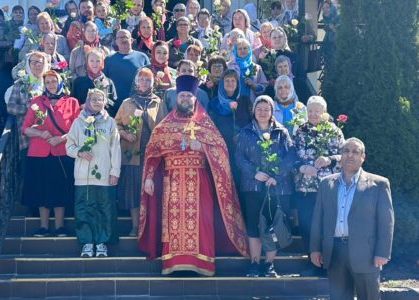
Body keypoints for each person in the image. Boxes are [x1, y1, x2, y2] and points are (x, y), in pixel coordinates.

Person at [138, 75, 248, 276]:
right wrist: (148, 178)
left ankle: (202, 263)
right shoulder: (164, 125)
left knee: (202, 220)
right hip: (172, 182)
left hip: (199, 181)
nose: (185, 99)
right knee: (173, 223)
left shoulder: (204, 123)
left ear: (195, 98)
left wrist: (204, 147)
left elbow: (221, 149)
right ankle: (173, 262)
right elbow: (152, 153)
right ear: (176, 98)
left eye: (189, 95)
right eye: (182, 95)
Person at [310, 138, 394, 300]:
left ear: (363, 157)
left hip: (366, 254)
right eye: (346, 151)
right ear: (340, 155)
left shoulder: (379, 184)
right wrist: (315, 248)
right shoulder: (326, 184)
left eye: (355, 152)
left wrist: (382, 252)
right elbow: (318, 218)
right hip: (334, 252)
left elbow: (386, 222)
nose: (350, 155)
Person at [235, 96, 297, 278]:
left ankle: (269, 264)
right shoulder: (246, 133)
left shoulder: (281, 132)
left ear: (272, 112)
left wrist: (276, 177)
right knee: (254, 226)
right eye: (259, 109)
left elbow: (290, 157)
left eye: (266, 109)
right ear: (254, 111)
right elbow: (239, 157)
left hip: (277, 187)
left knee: (273, 225)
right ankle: (254, 263)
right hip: (253, 187)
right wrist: (254, 173)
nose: (262, 112)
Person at [20, 70, 80, 237]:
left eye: (54, 81)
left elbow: (78, 129)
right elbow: (25, 128)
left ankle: (60, 226)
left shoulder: (72, 102)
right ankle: (44, 226)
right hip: (39, 153)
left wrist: (61, 139)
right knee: (42, 190)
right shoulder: (36, 102)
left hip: (62, 151)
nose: (51, 85)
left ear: (60, 82)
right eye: (48, 82)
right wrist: (40, 134)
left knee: (60, 189)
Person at [66, 88, 122, 258]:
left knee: (104, 209)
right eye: (94, 99)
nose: (97, 102)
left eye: (101, 99)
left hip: (104, 174)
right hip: (84, 175)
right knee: (84, 209)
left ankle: (102, 242)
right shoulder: (78, 122)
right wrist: (80, 153)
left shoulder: (110, 122)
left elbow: (116, 149)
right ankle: (87, 243)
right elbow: (68, 146)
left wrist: (115, 171)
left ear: (105, 102)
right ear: (87, 101)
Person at [293, 95, 344, 276]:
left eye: (317, 110)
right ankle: (312, 263)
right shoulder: (300, 130)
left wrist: (329, 160)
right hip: (304, 188)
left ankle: (328, 264)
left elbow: (344, 157)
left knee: (326, 227)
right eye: (310, 110)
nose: (313, 114)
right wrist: (302, 166)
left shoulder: (334, 131)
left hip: (327, 189)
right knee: (307, 227)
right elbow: (292, 156)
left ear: (324, 113)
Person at [115, 68, 168, 237]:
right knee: (134, 191)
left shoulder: (158, 102)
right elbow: (116, 125)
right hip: (132, 154)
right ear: (136, 82)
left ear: (153, 83)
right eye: (142, 79)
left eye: (148, 80)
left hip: (152, 155)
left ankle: (151, 227)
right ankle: (135, 226)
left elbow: (165, 126)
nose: (144, 83)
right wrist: (124, 134)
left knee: (152, 191)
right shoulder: (126, 103)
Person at [7, 51, 50, 152]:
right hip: (28, 138)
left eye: (40, 63)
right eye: (34, 62)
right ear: (28, 64)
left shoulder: (50, 82)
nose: (37, 65)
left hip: (49, 136)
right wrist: (29, 110)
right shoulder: (21, 83)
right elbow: (11, 107)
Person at [103, 29, 151, 115]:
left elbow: (150, 80)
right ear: (116, 41)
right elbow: (104, 82)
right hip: (114, 107)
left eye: (125, 37)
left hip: (138, 105)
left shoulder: (142, 57)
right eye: (119, 38)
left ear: (131, 40)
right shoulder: (109, 59)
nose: (123, 40)